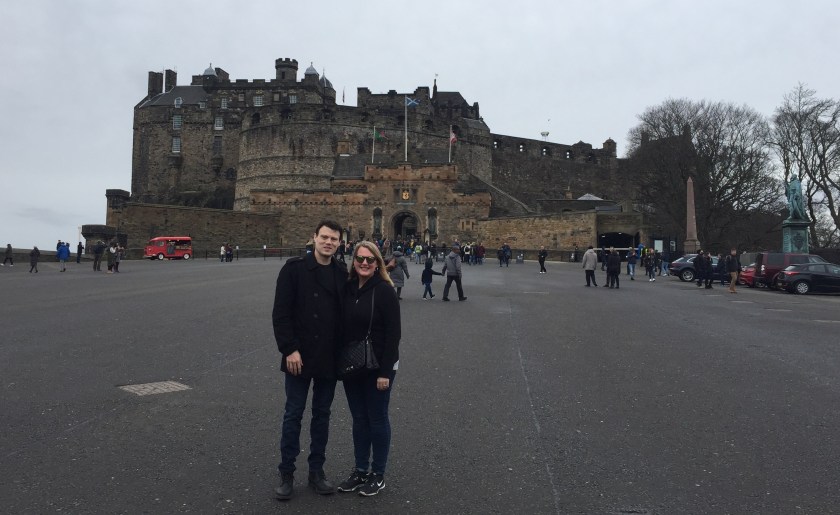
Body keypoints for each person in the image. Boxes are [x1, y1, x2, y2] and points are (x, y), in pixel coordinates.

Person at [272, 220, 346, 500]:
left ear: (340, 243)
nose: (328, 242)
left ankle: (316, 471)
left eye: (334, 239)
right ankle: (286, 473)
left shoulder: (341, 272)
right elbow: (281, 313)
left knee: (322, 415)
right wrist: (289, 349)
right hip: (298, 356)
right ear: (314, 237)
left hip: (328, 356)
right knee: (293, 414)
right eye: (324, 237)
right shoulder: (293, 269)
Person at [337, 241, 401, 497]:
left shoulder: (384, 291)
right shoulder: (348, 288)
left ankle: (378, 474)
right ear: (354, 261)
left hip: (379, 366)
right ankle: (361, 470)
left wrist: (385, 372)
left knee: (377, 418)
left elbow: (394, 335)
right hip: (353, 364)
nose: (364, 263)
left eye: (370, 259)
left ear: (378, 263)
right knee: (359, 419)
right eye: (360, 258)